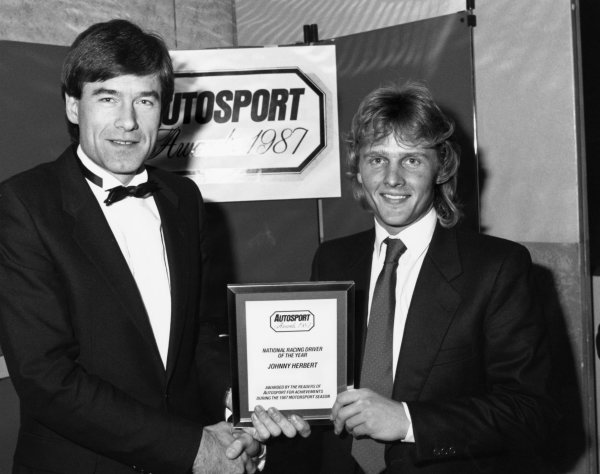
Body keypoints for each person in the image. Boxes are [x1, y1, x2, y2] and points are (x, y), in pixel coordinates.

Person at [0, 19, 260, 474]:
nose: (128, 121)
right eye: (107, 97)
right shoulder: (24, 204)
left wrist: (236, 402)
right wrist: (193, 449)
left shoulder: (184, 201)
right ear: (74, 106)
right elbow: (47, 379)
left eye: (144, 100)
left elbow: (199, 333)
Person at [256, 82, 556, 473]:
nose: (392, 179)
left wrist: (409, 422)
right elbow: (319, 395)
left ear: (441, 166)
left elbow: (531, 413)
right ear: (358, 169)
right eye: (377, 159)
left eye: (412, 160)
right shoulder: (332, 259)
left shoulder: (498, 268)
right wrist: (273, 417)